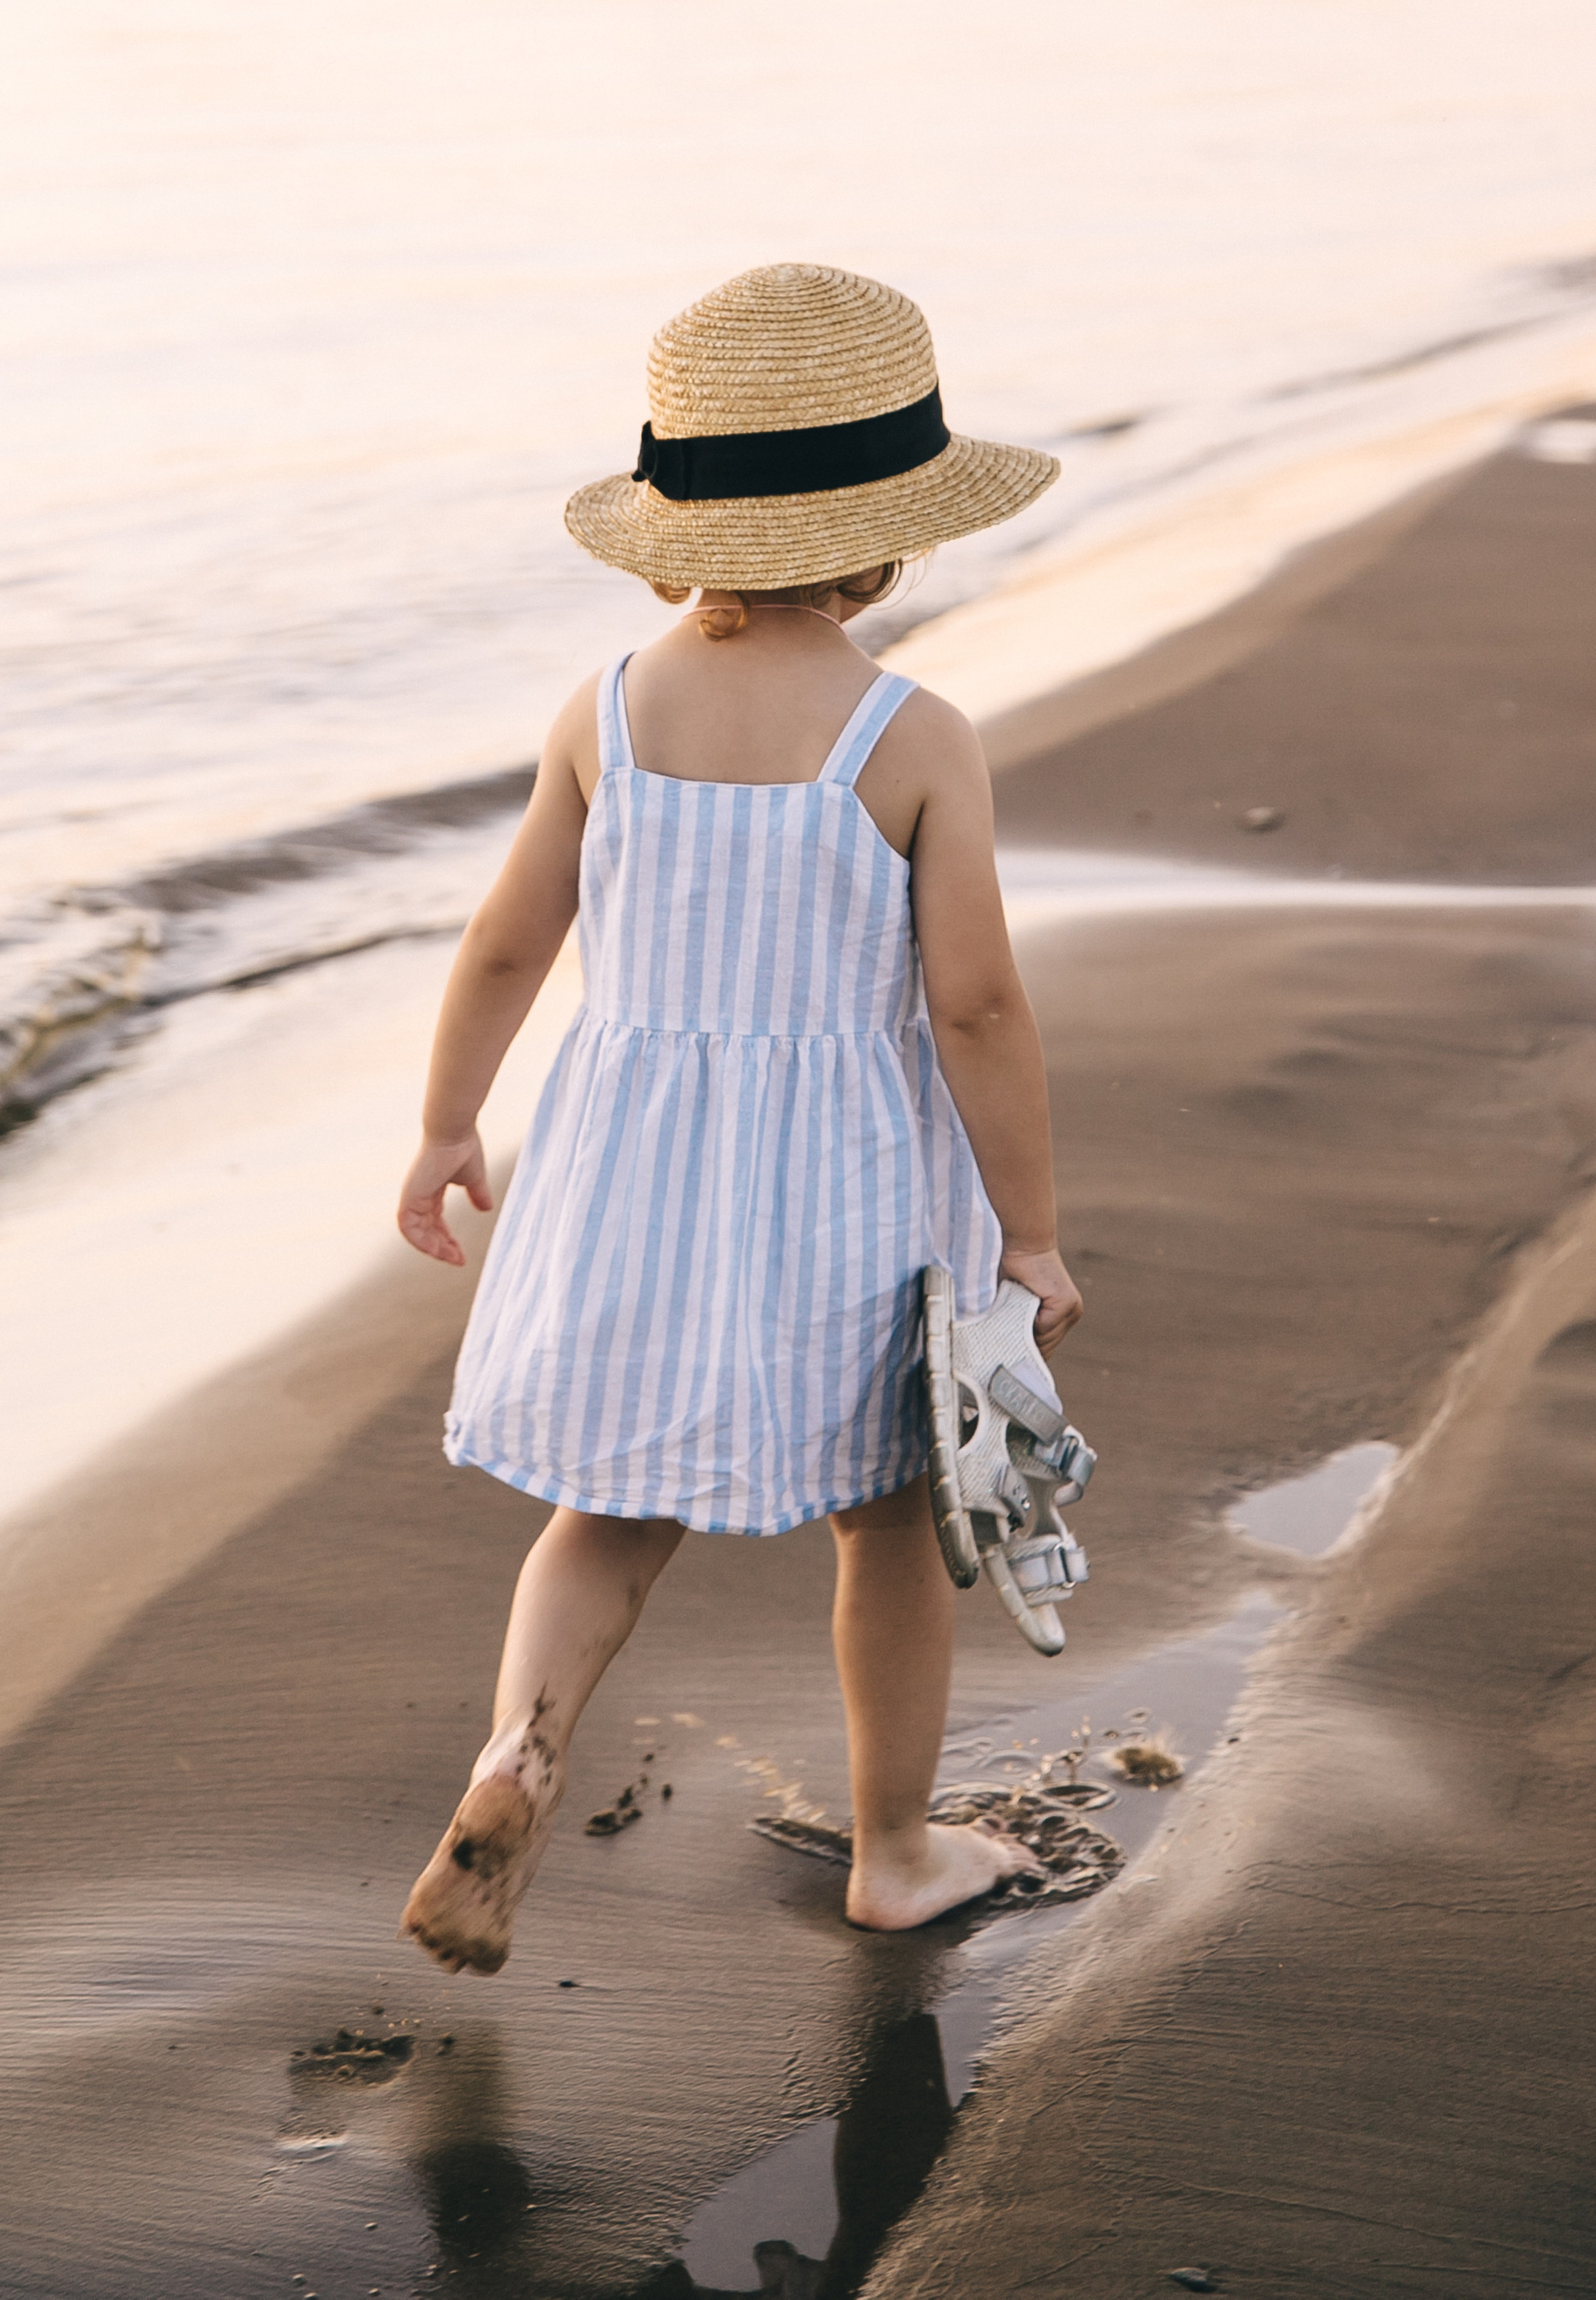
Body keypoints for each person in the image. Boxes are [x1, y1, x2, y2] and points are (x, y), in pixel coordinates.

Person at [394, 262, 1080, 1975]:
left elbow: (504, 937)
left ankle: (518, 1749)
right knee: (892, 1521)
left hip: (628, 1176)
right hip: (838, 1186)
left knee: (605, 1516)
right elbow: (975, 1003)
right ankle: (898, 1852)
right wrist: (1030, 1227)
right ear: (886, 533)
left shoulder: (606, 713)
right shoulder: (907, 736)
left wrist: (446, 1124)